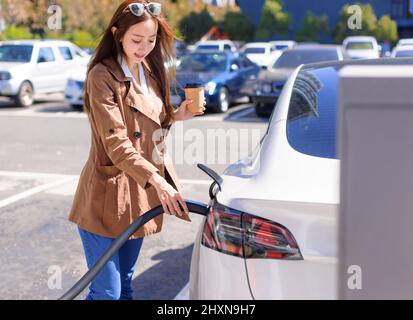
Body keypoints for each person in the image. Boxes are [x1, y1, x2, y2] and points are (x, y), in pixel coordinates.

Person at [68, 0, 206, 300]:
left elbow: (149, 131)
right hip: (105, 199)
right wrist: (158, 181)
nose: (144, 47)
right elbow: (117, 143)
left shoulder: (150, 72)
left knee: (127, 285)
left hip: (138, 196)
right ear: (117, 34)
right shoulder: (101, 76)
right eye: (136, 40)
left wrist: (174, 116)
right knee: (107, 293)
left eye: (151, 40)